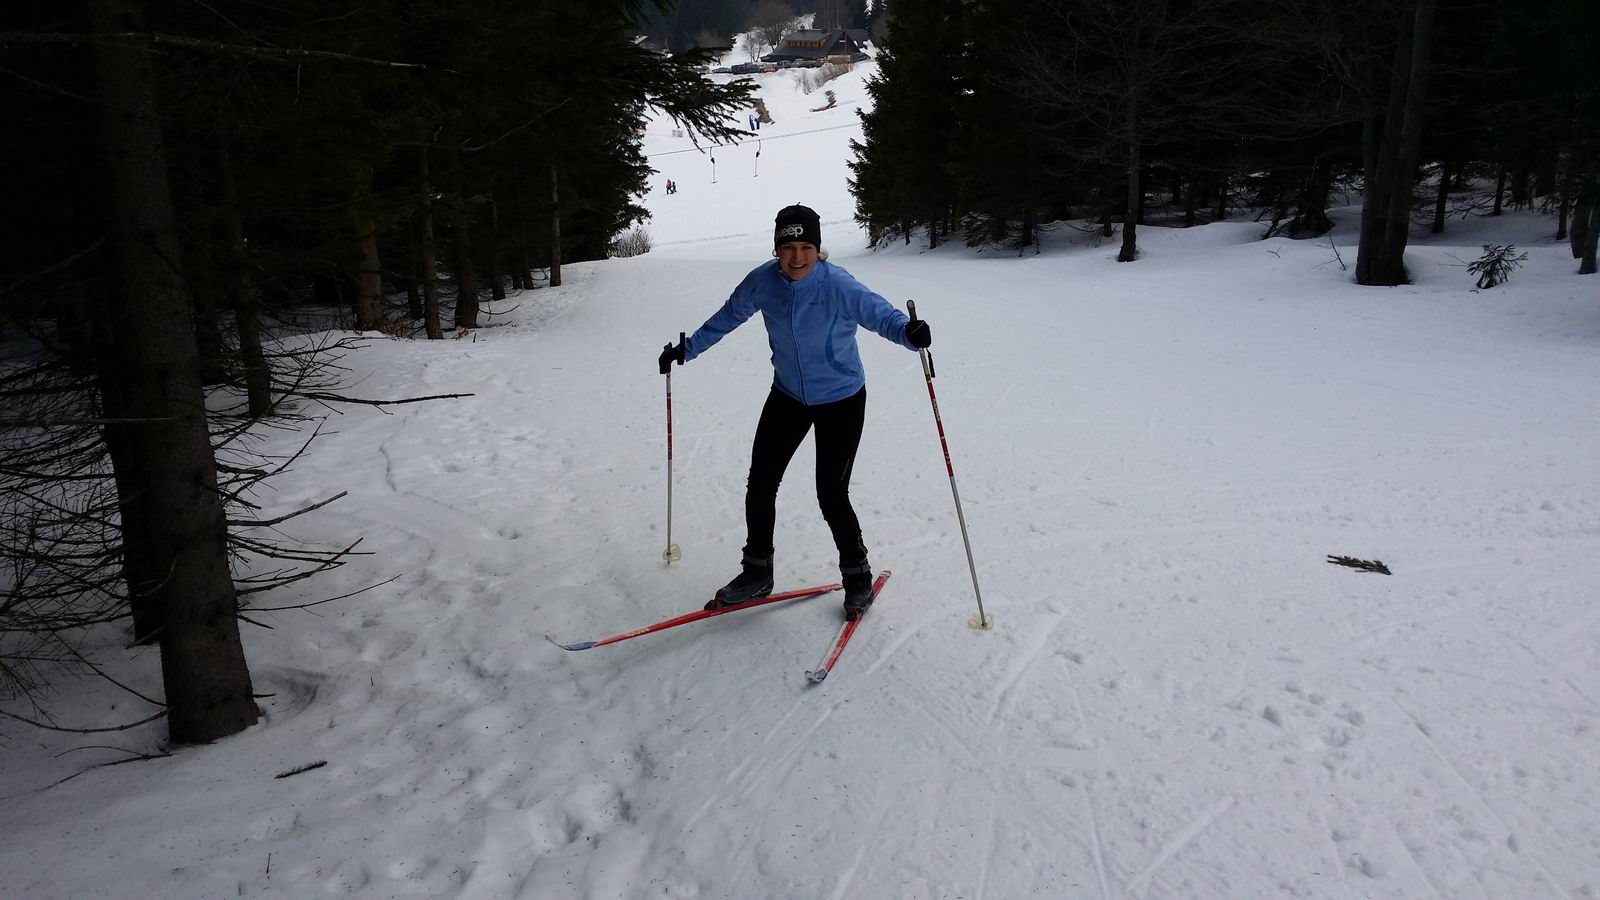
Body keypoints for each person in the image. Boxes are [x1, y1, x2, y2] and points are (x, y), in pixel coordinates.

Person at [657, 204, 932, 620]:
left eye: (806, 247)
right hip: (788, 395)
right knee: (761, 482)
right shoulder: (762, 282)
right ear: (776, 250)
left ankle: (857, 576)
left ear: (818, 250)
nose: (797, 257)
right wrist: (687, 349)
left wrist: (909, 333)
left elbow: (880, 315)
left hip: (841, 398)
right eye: (788, 247)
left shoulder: (836, 283)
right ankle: (757, 572)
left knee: (831, 492)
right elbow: (727, 317)